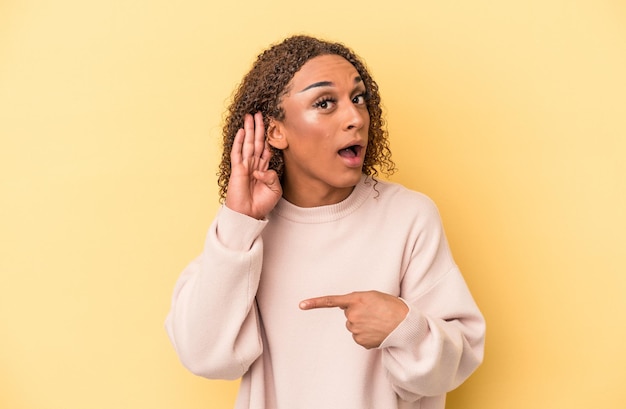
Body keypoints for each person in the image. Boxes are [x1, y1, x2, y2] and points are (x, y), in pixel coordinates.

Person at [165, 35, 485, 409]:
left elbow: (452, 369)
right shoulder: (247, 232)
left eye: (358, 98)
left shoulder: (409, 216)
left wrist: (404, 325)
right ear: (275, 132)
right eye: (324, 103)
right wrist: (239, 222)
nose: (354, 118)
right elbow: (204, 356)